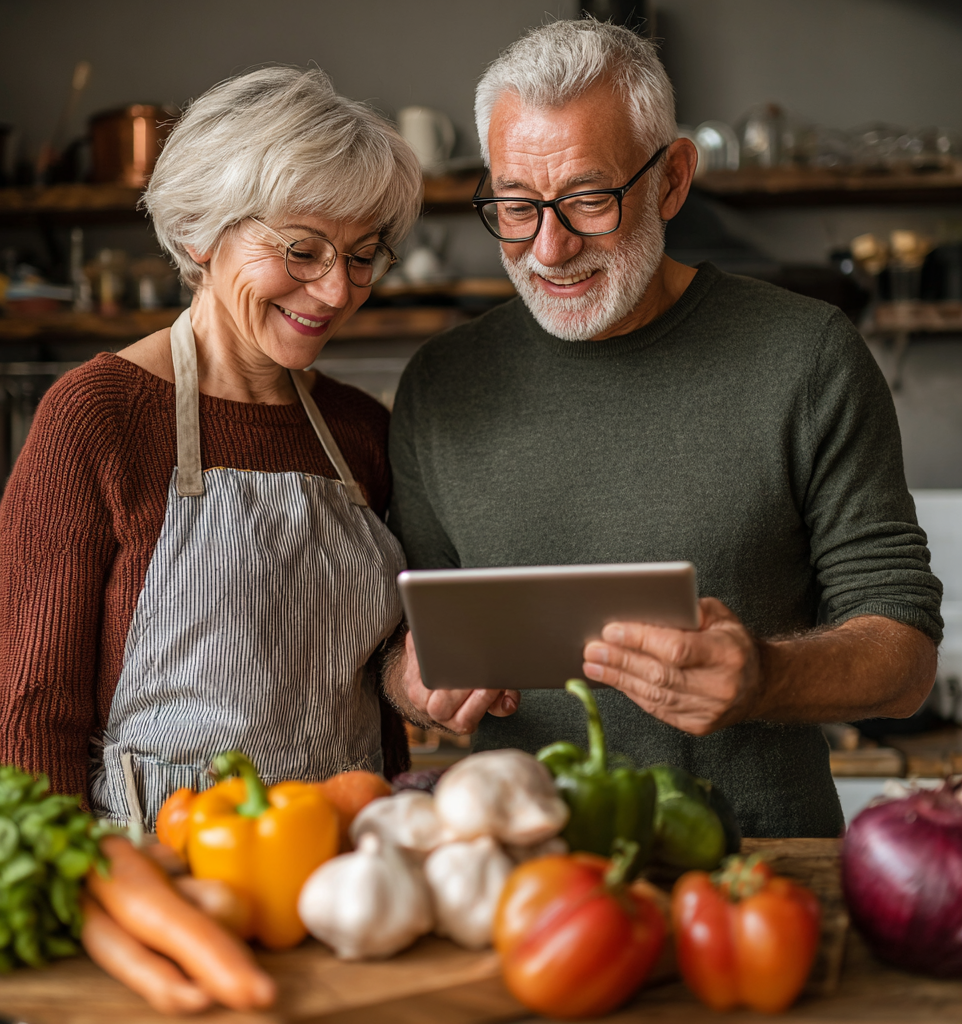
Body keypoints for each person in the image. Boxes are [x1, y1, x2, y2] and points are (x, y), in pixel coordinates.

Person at [383, 19, 943, 838]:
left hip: (758, 866)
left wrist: (767, 678)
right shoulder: (440, 384)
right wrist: (415, 683)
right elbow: (416, 643)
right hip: (521, 875)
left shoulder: (809, 355)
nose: (549, 247)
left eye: (587, 198)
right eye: (514, 205)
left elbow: (906, 655)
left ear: (672, 179)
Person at [0, 67, 423, 827]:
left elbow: (373, 688)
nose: (335, 291)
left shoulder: (360, 430)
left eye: (363, 255)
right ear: (199, 231)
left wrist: (413, 679)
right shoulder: (98, 417)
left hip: (342, 879)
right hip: (164, 880)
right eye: (301, 249)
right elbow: (36, 720)